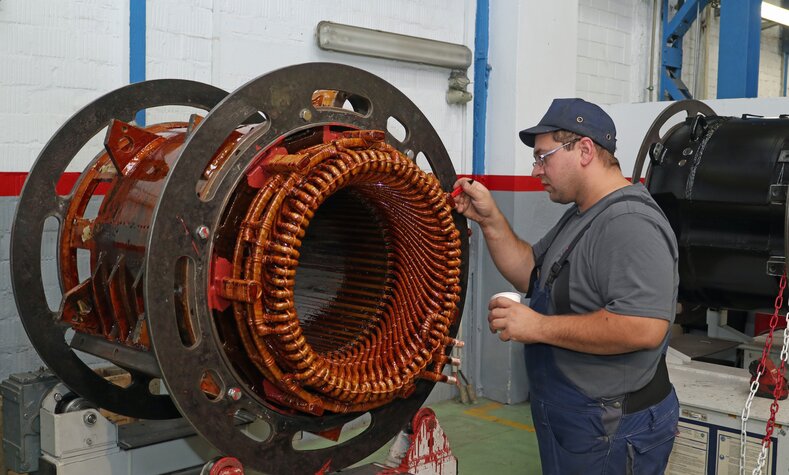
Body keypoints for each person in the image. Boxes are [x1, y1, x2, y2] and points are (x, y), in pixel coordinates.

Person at [453, 98, 680, 474]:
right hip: (578, 418)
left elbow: (644, 327)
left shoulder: (629, 223)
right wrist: (490, 220)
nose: (535, 170)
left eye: (544, 157)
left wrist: (537, 326)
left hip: (611, 427)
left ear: (585, 150)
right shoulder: (583, 214)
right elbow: (531, 271)